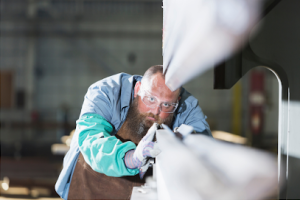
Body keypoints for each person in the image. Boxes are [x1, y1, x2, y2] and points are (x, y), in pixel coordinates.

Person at [55, 65, 211, 199]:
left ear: (177, 101)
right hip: (90, 188)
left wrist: (183, 145)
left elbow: (204, 147)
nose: (156, 111)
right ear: (138, 89)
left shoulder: (187, 106)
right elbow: (91, 139)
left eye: (167, 105)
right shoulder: (106, 92)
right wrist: (131, 158)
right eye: (151, 99)